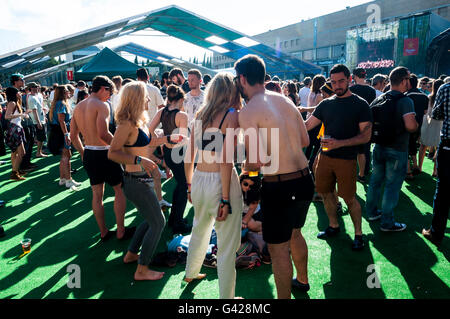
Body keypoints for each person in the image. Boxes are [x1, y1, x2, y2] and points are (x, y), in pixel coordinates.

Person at [237, 55, 314, 299]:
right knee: (295, 233)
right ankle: (302, 280)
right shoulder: (284, 100)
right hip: (304, 179)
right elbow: (305, 141)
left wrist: (243, 169)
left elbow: (256, 160)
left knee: (279, 250)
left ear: (242, 79)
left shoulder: (249, 111)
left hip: (280, 185)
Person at [107, 81, 186, 280]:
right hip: (134, 180)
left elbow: (145, 144)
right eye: (146, 96)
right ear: (136, 99)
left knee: (151, 218)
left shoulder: (138, 121)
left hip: (142, 178)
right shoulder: (125, 123)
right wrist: (138, 160)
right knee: (158, 222)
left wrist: (165, 139)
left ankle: (132, 255)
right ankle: (141, 270)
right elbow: (112, 153)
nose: (150, 99)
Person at [183, 72, 243, 299]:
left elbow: (190, 154)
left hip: (198, 177)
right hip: (221, 181)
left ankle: (190, 272)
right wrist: (225, 198)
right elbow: (227, 159)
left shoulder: (200, 113)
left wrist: (189, 185)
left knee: (199, 227)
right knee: (227, 246)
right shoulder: (231, 115)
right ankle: (227, 299)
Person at [305, 64, 372, 251]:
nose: (337, 85)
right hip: (325, 158)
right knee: (325, 193)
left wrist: (339, 143)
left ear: (349, 79)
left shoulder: (360, 104)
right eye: (333, 82)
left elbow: (366, 136)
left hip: (347, 160)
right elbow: (308, 125)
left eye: (341, 81)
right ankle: (334, 225)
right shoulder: (325, 104)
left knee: (349, 198)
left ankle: (358, 234)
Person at [70, 76, 131, 241]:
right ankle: (120, 231)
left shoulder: (78, 107)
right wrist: (120, 148)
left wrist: (83, 153)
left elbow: (73, 136)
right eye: (109, 92)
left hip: (89, 152)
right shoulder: (101, 105)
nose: (110, 96)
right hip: (105, 152)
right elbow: (103, 133)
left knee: (97, 194)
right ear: (103, 88)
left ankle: (103, 231)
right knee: (119, 189)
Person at [365, 67, 418, 232]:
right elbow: (410, 126)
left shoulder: (380, 98)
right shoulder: (405, 101)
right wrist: (416, 125)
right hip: (397, 148)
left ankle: (372, 213)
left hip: (379, 146)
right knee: (391, 186)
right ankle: (387, 223)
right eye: (408, 79)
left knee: (375, 182)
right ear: (403, 81)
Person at [149, 85, 191, 234]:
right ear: (180, 100)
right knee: (183, 186)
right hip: (178, 153)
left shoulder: (162, 112)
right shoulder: (182, 115)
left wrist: (162, 141)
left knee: (179, 184)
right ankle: (177, 222)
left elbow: (149, 128)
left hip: (167, 152)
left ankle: (175, 218)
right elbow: (183, 139)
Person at [422, 81, 450, 246]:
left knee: (444, 190)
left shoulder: (446, 88)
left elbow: (437, 115)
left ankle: (436, 232)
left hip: (448, 145)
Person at [48, 85, 80, 189]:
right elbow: (61, 121)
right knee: (67, 156)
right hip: (61, 133)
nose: (69, 92)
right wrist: (67, 135)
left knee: (64, 157)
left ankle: (62, 179)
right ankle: (69, 180)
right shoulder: (62, 104)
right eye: (67, 91)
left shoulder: (56, 103)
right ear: (63, 93)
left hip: (57, 132)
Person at [405, 74, 429, 179]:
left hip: (407, 124)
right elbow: (425, 112)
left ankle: (408, 171)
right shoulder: (424, 96)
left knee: (405, 145)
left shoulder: (406, 96)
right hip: (419, 125)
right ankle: (415, 165)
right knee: (413, 143)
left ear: (409, 83)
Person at [4, 87, 31, 180]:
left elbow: (14, 117)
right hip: (15, 129)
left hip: (15, 128)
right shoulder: (12, 103)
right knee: (21, 152)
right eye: (18, 92)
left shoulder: (16, 102)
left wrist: (24, 114)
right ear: (15, 94)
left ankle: (16, 170)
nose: (20, 93)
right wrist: (21, 114)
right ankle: (14, 172)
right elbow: (7, 116)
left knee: (15, 152)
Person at [418, 79, 444, 177]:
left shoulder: (428, 97)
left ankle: (420, 167)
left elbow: (426, 112)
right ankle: (435, 171)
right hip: (439, 124)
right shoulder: (442, 98)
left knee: (423, 145)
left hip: (428, 123)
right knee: (438, 147)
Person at [27, 82, 48, 158]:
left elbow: (40, 108)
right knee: (40, 138)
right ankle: (38, 153)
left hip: (41, 119)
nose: (36, 88)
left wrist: (44, 116)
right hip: (37, 121)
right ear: (31, 88)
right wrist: (39, 122)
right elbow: (34, 111)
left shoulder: (37, 95)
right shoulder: (31, 98)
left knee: (41, 138)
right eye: (34, 87)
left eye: (37, 86)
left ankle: (39, 151)